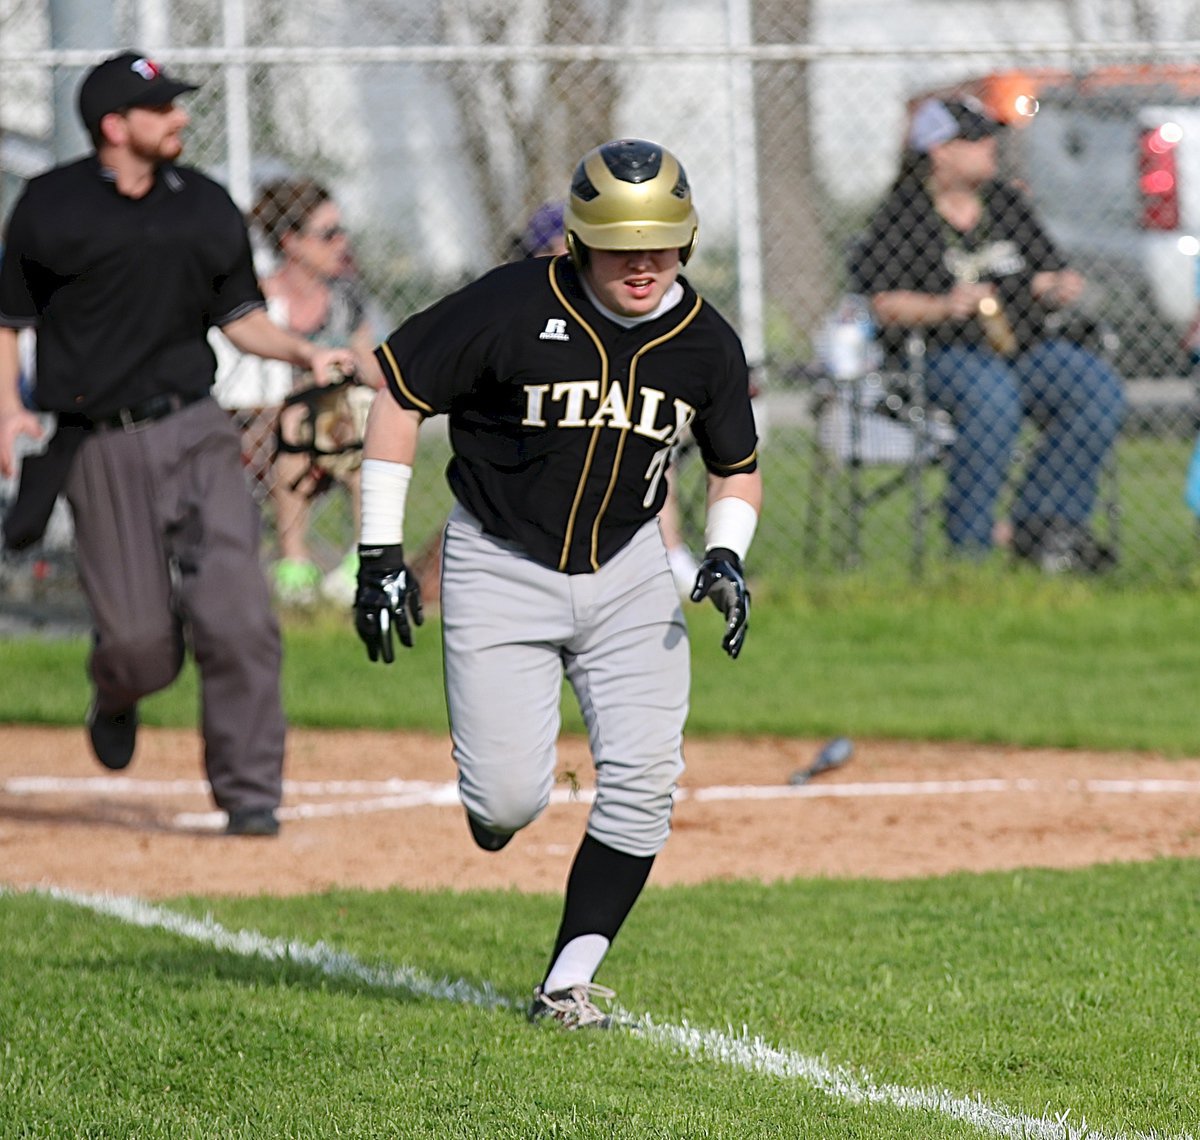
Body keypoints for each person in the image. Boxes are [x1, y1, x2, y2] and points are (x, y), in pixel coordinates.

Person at [353, 138, 761, 1027]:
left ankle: (567, 981)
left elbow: (737, 464)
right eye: (621, 242)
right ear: (579, 241)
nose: (643, 261)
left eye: (661, 241)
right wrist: (380, 553)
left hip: (629, 576)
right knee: (508, 798)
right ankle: (493, 815)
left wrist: (726, 551)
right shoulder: (510, 305)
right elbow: (397, 392)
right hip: (501, 563)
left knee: (647, 777)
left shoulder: (704, 344)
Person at [0, 50, 356, 836]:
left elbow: (239, 318)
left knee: (238, 616)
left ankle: (250, 792)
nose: (182, 117)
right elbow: (11, 323)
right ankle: (117, 689)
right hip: (99, 444)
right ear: (114, 126)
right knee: (138, 645)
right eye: (163, 108)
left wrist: (304, 353)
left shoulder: (204, 205)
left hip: (197, 429)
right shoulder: (49, 208)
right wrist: (5, 412)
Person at [851, 96, 1125, 571]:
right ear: (940, 151)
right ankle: (971, 544)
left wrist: (1057, 286)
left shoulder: (1005, 202)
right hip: (939, 354)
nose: (990, 147)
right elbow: (882, 304)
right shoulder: (904, 214)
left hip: (1021, 348)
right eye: (976, 138)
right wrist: (942, 306)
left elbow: (1049, 269)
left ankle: (1045, 530)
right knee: (991, 396)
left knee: (1093, 388)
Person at [244, 178, 385, 605]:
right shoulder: (257, 300)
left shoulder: (344, 298)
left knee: (362, 427)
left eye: (341, 232)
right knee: (296, 422)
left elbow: (375, 369)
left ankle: (363, 559)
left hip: (335, 426)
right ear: (292, 243)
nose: (341, 243)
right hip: (260, 428)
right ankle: (295, 567)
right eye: (328, 234)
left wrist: (351, 364)